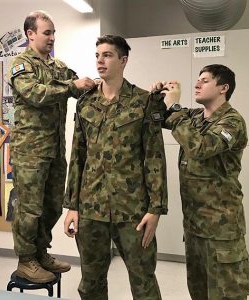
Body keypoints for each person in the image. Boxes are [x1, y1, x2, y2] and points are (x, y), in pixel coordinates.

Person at [63, 34, 168, 300]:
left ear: (123, 61)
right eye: (98, 55)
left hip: (132, 210)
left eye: (107, 55)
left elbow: (154, 157)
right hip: (91, 208)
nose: (100, 61)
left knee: (143, 281)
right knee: (90, 283)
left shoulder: (143, 101)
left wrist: (155, 209)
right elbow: (78, 156)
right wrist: (72, 206)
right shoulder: (85, 103)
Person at [9, 10, 95, 283]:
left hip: (55, 149)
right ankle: (26, 260)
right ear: (30, 34)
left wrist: (94, 85)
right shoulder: (21, 64)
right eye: (47, 32)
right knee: (30, 208)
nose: (52, 37)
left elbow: (79, 84)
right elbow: (35, 94)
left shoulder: (57, 66)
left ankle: (40, 252)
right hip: (30, 151)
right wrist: (72, 87)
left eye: (54, 32)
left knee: (54, 204)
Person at [152, 64, 249, 299]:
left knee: (227, 294)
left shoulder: (232, 121)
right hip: (195, 228)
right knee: (199, 292)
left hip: (221, 231)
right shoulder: (195, 117)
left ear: (223, 88)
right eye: (198, 79)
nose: (197, 84)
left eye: (205, 80)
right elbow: (158, 117)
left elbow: (200, 147)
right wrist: (158, 97)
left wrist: (175, 107)